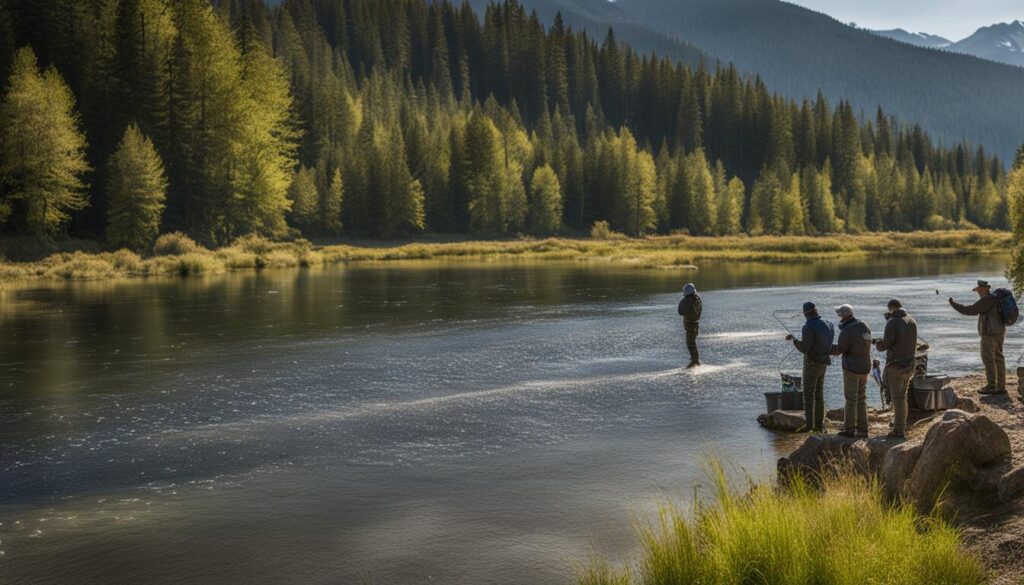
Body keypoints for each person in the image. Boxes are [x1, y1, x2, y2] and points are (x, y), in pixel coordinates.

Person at [949, 280, 1006, 394]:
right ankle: (1001, 387)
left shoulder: (986, 299)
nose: (978, 292)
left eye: (979, 290)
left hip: (989, 333)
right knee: (999, 357)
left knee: (988, 359)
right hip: (1000, 331)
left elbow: (969, 310)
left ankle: (991, 386)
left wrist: (953, 304)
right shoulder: (994, 298)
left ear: (985, 289)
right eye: (978, 290)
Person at [786, 302, 834, 433]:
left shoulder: (807, 327)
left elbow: (805, 348)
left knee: (808, 395)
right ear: (816, 311)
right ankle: (819, 426)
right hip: (823, 362)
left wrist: (795, 341)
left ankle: (809, 425)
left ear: (805, 314)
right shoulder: (829, 324)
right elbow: (828, 344)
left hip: (812, 363)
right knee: (819, 394)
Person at [875, 299, 917, 439]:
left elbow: (885, 345)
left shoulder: (892, 322)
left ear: (891, 308)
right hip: (910, 364)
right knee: (902, 396)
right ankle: (900, 424)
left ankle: (899, 430)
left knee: (897, 398)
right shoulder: (911, 319)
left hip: (896, 365)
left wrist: (878, 343)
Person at [830, 305, 872, 438]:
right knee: (862, 398)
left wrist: (825, 349)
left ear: (843, 316)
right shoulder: (864, 325)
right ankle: (863, 430)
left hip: (851, 368)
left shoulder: (846, 330)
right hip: (865, 366)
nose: (839, 318)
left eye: (839, 315)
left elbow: (840, 349)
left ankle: (849, 430)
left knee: (851, 399)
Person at [678, 283, 702, 368]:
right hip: (695, 325)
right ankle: (694, 360)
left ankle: (695, 362)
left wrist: (683, 301)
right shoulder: (697, 299)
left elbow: (680, 312)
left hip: (691, 326)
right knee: (692, 343)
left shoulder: (688, 300)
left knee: (690, 343)